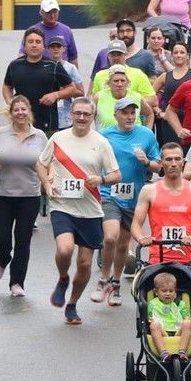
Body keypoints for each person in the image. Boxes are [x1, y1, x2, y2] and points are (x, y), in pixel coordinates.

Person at [36, 97, 121, 325]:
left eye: (86, 114)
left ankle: (72, 304)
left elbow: (116, 175)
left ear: (93, 117)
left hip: (90, 210)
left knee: (84, 264)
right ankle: (63, 277)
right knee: (64, 250)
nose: (82, 118)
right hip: (62, 206)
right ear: (71, 115)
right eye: (78, 113)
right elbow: (41, 164)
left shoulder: (101, 142)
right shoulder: (58, 138)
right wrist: (46, 183)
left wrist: (100, 179)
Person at [92, 98, 161, 307]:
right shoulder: (104, 136)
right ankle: (103, 279)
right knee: (110, 237)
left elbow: (160, 167)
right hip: (109, 193)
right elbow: (92, 160)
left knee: (123, 245)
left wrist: (147, 162)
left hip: (134, 197)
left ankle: (115, 284)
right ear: (116, 116)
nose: (129, 117)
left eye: (133, 113)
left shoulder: (146, 135)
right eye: (125, 113)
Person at [0, 95, 49, 298]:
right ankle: (3, 259)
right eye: (16, 110)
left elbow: (47, 163)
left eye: (23, 109)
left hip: (29, 195)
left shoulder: (39, 137)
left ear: (29, 111)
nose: (20, 113)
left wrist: (49, 182)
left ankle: (17, 282)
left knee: (23, 239)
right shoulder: (0, 134)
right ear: (11, 113)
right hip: (2, 195)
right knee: (2, 238)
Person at [130, 141, 191, 267]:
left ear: (183, 162)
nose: (173, 164)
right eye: (168, 159)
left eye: (177, 159)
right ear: (161, 163)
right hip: (158, 257)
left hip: (187, 257)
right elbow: (136, 224)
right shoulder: (149, 190)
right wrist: (142, 239)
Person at [2, 27, 78, 135]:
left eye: (38, 42)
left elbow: (71, 88)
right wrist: (9, 102)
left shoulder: (54, 65)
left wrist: (56, 95)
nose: (34, 45)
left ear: (43, 47)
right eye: (30, 41)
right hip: (21, 123)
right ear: (24, 45)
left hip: (48, 125)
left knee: (47, 152)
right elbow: (7, 86)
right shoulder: (14, 65)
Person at [146, 272, 191, 366]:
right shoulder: (153, 303)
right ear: (156, 292)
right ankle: (163, 353)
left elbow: (187, 316)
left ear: (175, 293)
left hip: (177, 332)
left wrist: (188, 318)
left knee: (188, 323)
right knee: (154, 324)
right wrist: (150, 320)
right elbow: (149, 317)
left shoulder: (180, 305)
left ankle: (182, 352)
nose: (168, 294)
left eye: (171, 291)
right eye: (164, 291)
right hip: (162, 332)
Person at [90, 39, 158, 104]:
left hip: (130, 115)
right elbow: (94, 99)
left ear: (125, 55)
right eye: (113, 54)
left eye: (119, 54)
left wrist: (128, 102)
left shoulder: (138, 74)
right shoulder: (99, 75)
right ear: (108, 56)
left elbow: (153, 100)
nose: (116, 58)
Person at [152, 41, 191, 146]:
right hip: (169, 122)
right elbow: (150, 96)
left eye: (182, 52)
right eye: (175, 52)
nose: (179, 55)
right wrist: (159, 112)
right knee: (171, 152)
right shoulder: (165, 76)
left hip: (189, 120)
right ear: (172, 55)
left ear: (187, 56)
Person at [91, 19, 160, 79]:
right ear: (117, 34)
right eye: (121, 31)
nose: (125, 34)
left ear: (135, 32)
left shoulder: (146, 55)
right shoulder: (105, 54)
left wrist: (136, 79)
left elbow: (153, 81)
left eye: (128, 30)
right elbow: (94, 80)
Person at [19, 0, 78, 65]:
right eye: (48, 12)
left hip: (62, 72)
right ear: (41, 13)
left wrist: (75, 74)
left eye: (55, 12)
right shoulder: (32, 31)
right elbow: (22, 54)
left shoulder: (66, 31)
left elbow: (73, 58)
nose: (52, 15)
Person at [91, 66, 150, 131]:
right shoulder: (99, 97)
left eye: (123, 81)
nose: (119, 84)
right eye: (116, 81)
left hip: (132, 139)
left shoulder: (137, 97)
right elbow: (88, 115)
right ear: (109, 83)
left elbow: (149, 114)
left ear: (127, 83)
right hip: (106, 139)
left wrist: (147, 132)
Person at [45, 36, 83, 130]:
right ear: (48, 49)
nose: (56, 49)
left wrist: (66, 91)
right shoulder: (43, 67)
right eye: (53, 47)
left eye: (58, 46)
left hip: (66, 119)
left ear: (64, 49)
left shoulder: (71, 68)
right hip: (47, 117)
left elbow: (81, 92)